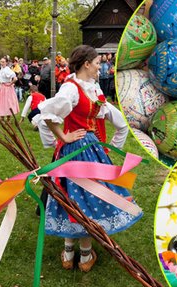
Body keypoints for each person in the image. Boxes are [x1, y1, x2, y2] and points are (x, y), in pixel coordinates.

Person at [39, 45, 142, 272]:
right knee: (81, 198)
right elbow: (47, 113)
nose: (100, 67)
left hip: (87, 149)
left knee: (77, 197)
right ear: (86, 63)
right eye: (97, 63)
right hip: (77, 150)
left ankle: (72, 254)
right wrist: (63, 136)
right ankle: (81, 257)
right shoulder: (71, 88)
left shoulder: (91, 88)